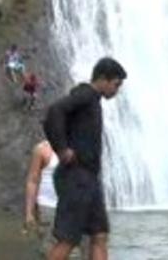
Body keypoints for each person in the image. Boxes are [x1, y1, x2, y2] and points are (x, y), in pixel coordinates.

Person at [44, 57, 127, 260]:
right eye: (116, 85)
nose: (117, 91)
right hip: (77, 177)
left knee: (99, 235)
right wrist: (61, 149)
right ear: (103, 79)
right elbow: (54, 111)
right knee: (69, 239)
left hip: (89, 178)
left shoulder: (92, 100)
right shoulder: (86, 95)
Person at [24, 141, 82, 259]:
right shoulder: (42, 149)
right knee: (49, 250)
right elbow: (33, 180)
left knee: (74, 254)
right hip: (48, 208)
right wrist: (29, 213)